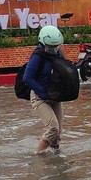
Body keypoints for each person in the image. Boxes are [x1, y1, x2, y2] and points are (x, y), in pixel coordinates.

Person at [24, 25, 67, 154]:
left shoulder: (59, 54)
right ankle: (37, 156)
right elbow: (27, 78)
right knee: (53, 128)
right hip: (40, 97)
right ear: (42, 43)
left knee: (58, 132)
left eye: (56, 46)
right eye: (50, 47)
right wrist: (43, 93)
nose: (53, 49)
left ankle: (56, 158)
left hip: (55, 96)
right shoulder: (37, 57)